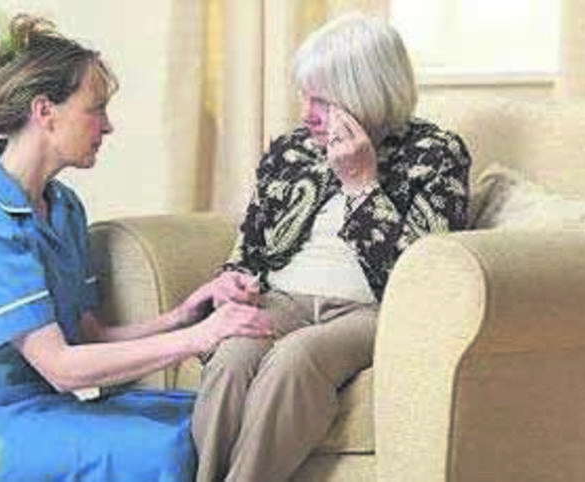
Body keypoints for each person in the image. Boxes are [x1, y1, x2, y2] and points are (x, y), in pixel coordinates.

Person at [0, 14, 271, 482]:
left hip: (50, 408)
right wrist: (199, 338)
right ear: (45, 111)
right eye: (96, 109)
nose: (107, 127)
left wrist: (183, 316)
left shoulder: (64, 206)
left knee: (218, 415)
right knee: (166, 449)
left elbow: (89, 337)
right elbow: (62, 367)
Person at [190, 12, 471, 482]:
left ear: (368, 92)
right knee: (233, 358)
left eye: (322, 99)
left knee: (295, 359)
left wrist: (361, 184)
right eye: (305, 95)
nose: (307, 114)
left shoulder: (436, 153)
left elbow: (425, 276)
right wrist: (233, 279)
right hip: (282, 298)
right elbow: (249, 247)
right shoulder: (290, 150)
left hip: (370, 311)